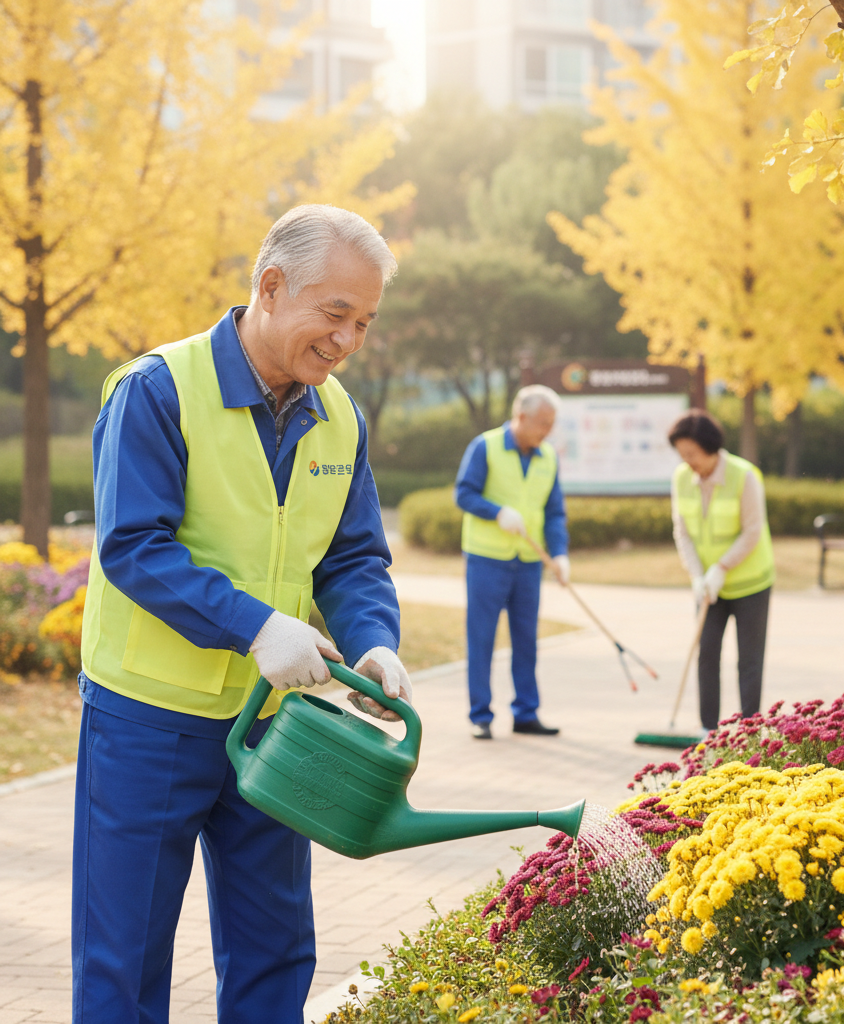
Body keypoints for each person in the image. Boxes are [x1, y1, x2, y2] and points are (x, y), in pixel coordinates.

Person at [73, 205, 413, 1024]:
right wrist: (255, 626)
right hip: (149, 721)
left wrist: (374, 642)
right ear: (270, 286)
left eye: (364, 323)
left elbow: (353, 558)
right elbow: (134, 546)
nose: (348, 341)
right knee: (124, 961)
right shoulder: (157, 390)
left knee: (276, 950)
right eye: (335, 313)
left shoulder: (339, 415)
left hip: (272, 725)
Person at [455, 385, 569, 740]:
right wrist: (497, 512)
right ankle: (480, 715)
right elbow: (464, 494)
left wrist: (560, 553)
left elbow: (554, 512)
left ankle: (526, 713)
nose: (548, 430)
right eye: (543, 423)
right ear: (521, 416)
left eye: (551, 423)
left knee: (526, 640)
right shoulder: (485, 446)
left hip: (529, 563)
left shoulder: (548, 457)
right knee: (482, 638)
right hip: (486, 560)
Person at [668, 409, 774, 737]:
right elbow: (682, 531)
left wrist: (722, 567)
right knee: (707, 653)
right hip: (708, 586)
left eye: (692, 454)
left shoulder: (744, 476)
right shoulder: (681, 478)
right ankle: (707, 730)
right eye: (682, 455)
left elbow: (753, 531)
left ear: (710, 447)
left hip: (750, 583)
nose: (687, 462)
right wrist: (697, 576)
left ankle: (750, 732)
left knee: (749, 660)